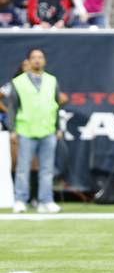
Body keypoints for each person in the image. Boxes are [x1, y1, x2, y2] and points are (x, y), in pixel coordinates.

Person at [6, 49, 65, 213]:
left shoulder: (52, 80)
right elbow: (13, 108)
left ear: (44, 60)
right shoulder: (19, 82)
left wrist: (58, 127)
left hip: (47, 129)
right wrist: (12, 129)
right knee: (23, 169)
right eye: (34, 58)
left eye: (40, 57)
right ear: (29, 61)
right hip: (26, 130)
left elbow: (56, 105)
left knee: (47, 169)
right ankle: (20, 200)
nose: (37, 60)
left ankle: (46, 200)